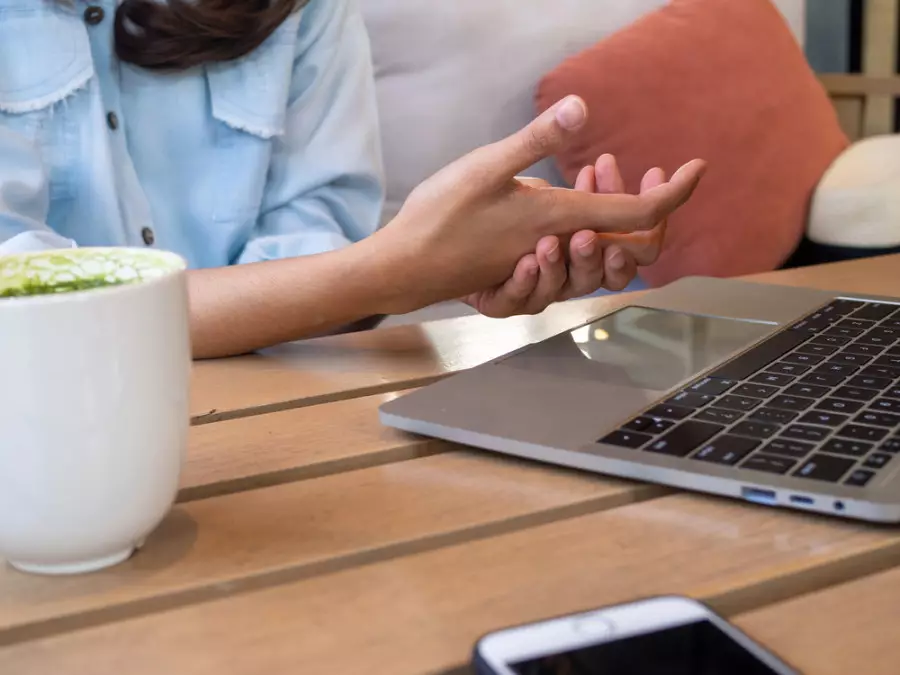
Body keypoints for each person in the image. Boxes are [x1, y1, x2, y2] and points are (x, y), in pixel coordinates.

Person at [0, 0, 705, 358]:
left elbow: (320, 248)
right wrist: (402, 269)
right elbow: (24, 308)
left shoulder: (300, 11)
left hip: (271, 405)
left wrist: (457, 256)